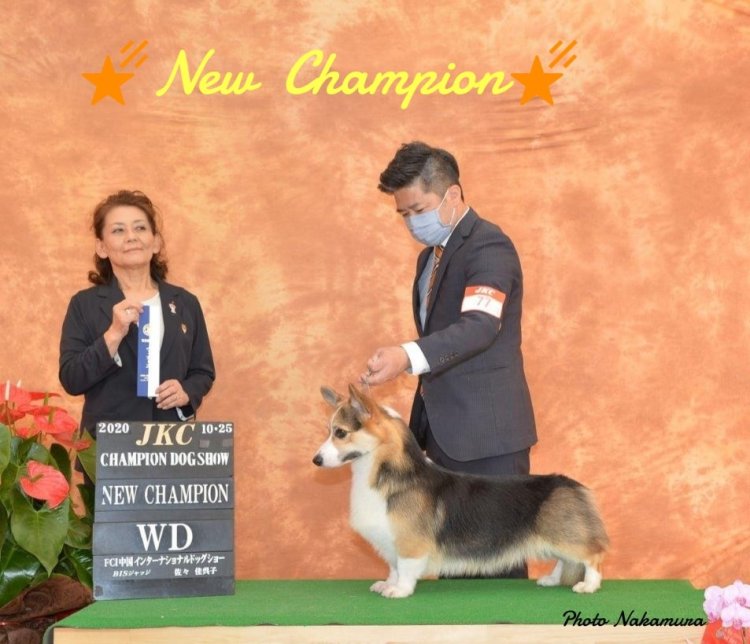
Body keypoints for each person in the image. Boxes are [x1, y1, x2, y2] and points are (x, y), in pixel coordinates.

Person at [360, 142, 537, 577]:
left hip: (488, 441)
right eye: (403, 214)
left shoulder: (489, 246)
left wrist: (406, 355)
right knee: (455, 569)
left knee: (495, 573)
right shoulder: (430, 258)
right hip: (443, 438)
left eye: (417, 209)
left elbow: (480, 325)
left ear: (452, 195)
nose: (411, 222)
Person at [59, 190, 215, 449]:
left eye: (140, 228)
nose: (131, 236)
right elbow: (71, 378)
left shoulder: (186, 303)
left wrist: (187, 391)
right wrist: (113, 334)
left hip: (172, 446)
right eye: (118, 230)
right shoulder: (83, 305)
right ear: (102, 247)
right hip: (108, 451)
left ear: (155, 242)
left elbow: (203, 371)